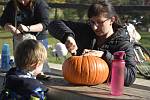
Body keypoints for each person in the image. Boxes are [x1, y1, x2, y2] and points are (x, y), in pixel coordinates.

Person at [48, 1, 137, 86]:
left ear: (112, 20)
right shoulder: (86, 30)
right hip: (76, 83)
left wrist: (104, 55)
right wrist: (68, 37)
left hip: (105, 91)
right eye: (92, 22)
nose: (94, 27)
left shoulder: (123, 45)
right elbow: (54, 24)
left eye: (99, 22)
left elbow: (130, 77)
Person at [0, 0, 50, 78]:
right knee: (22, 67)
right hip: (19, 39)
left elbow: (45, 23)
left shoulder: (40, 3)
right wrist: (11, 28)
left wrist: (28, 28)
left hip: (38, 40)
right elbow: (3, 21)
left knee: (37, 69)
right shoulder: (12, 4)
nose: (22, 2)